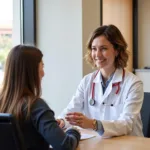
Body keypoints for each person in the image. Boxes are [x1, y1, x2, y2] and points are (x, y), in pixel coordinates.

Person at [57, 24, 144, 138]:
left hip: (129, 144)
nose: (97, 54)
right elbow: (71, 110)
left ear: (117, 51)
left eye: (103, 48)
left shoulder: (133, 83)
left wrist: (94, 124)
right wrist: (61, 121)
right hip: (99, 143)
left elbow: (127, 124)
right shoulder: (87, 81)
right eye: (94, 49)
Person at [0, 45, 80, 150]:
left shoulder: (3, 102)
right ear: (32, 71)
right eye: (42, 66)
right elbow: (65, 146)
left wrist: (49, 124)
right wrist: (74, 131)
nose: (43, 73)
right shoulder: (36, 106)